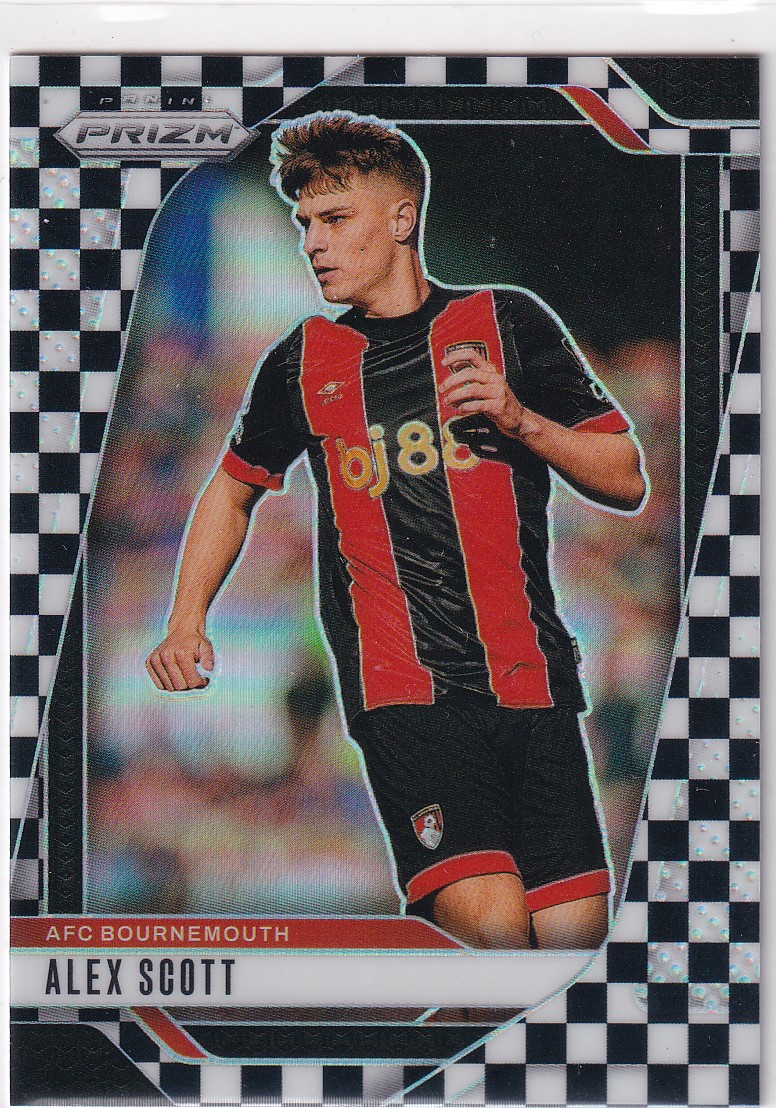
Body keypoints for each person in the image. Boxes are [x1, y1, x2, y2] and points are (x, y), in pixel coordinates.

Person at [146, 111, 647, 951]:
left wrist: (522, 420)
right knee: (497, 926)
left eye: (335, 219)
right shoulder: (301, 362)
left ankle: (442, 1030)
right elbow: (230, 492)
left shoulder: (508, 322)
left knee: (568, 947)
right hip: (406, 694)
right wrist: (185, 618)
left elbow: (626, 477)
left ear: (402, 218)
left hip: (535, 684)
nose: (313, 242)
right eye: (305, 223)